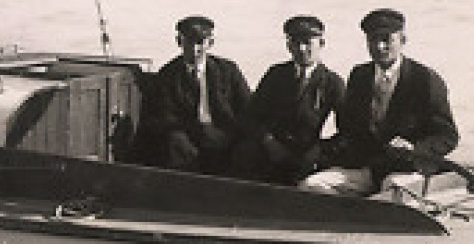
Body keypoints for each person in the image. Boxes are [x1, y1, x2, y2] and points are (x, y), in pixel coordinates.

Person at [301, 8, 460, 200]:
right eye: (372, 40)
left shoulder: (425, 80)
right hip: (368, 169)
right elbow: (349, 131)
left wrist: (415, 148)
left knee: (393, 191)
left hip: (407, 170)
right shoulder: (360, 75)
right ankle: (356, 214)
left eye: (386, 39)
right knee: (311, 185)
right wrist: (316, 152)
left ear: (402, 40)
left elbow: (448, 136)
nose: (379, 46)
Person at [231, 14, 346, 185]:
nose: (301, 49)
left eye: (308, 43)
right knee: (244, 154)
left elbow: (347, 129)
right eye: (295, 42)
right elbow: (252, 115)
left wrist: (319, 149)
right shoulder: (276, 74)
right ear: (288, 45)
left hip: (305, 153)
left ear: (321, 44)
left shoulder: (332, 83)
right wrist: (268, 140)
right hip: (269, 149)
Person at [138, 15, 252, 174]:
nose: (194, 49)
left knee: (248, 149)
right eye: (188, 42)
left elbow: (248, 109)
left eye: (200, 43)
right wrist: (198, 131)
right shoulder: (168, 75)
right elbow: (164, 116)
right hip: (188, 138)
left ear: (210, 43)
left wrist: (228, 134)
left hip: (226, 136)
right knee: (175, 143)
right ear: (179, 41)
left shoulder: (228, 70)